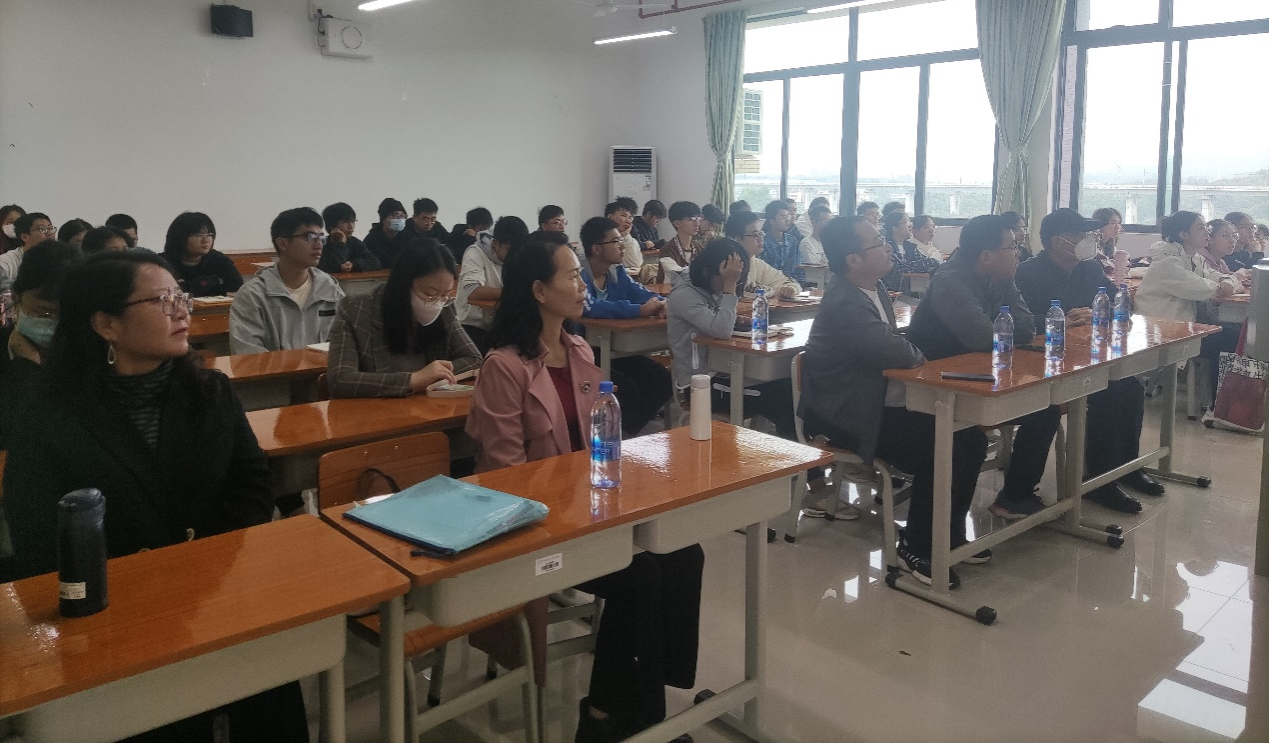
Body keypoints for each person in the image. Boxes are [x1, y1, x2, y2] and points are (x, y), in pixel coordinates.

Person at [2, 251, 308, 741]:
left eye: (180, 296)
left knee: (271, 691)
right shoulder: (48, 416)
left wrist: (209, 561)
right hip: (115, 618)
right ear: (106, 324)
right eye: (163, 300)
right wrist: (142, 587)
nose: (181, 310)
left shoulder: (211, 391)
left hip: (218, 591)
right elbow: (38, 531)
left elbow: (252, 482)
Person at [465, 234, 703, 742]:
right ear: (538, 290)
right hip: (538, 527)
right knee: (640, 578)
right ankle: (602, 717)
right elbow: (505, 478)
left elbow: (598, 441)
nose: (581, 286)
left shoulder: (577, 349)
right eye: (571, 276)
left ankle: (648, 700)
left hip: (590, 510)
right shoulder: (503, 367)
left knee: (684, 552)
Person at [801, 215, 988, 585]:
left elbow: (898, 348)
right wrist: (914, 353)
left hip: (880, 402)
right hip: (850, 413)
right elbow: (900, 352)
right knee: (942, 446)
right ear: (853, 259)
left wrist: (911, 352)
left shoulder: (873, 288)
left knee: (971, 438)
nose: (887, 247)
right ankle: (915, 546)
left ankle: (947, 534)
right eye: (877, 242)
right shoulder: (844, 302)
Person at [907, 214, 1062, 520]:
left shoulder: (1003, 276)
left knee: (1046, 408)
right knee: (970, 440)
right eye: (1012, 246)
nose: (1017, 253)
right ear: (986, 255)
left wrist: (1001, 332)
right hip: (935, 385)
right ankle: (943, 528)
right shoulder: (950, 280)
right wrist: (1000, 333)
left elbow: (1027, 328)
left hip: (980, 376)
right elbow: (981, 337)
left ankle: (1014, 497)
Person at [1014, 208, 1158, 513]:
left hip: (1083, 356)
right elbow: (1017, 321)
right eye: (1081, 235)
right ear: (1058, 241)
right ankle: (1099, 481)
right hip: (1039, 362)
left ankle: (1126, 467)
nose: (1089, 240)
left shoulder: (1089, 269)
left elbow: (1121, 307)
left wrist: (1097, 313)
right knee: (1106, 394)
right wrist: (1058, 320)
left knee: (1130, 387)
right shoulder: (1027, 273)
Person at [666, 237, 797, 441]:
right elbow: (721, 330)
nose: (729, 287)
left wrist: (736, 320)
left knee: (788, 383)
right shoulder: (684, 295)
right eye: (727, 279)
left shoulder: (710, 288)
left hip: (724, 374)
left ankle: (792, 451)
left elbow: (718, 322)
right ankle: (798, 454)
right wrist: (729, 287)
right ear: (708, 270)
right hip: (701, 384)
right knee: (781, 396)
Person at [327, 238, 481, 398]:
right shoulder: (356, 310)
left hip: (429, 407)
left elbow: (474, 359)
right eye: (429, 294)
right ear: (403, 284)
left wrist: (437, 374)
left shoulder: (445, 308)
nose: (437, 303)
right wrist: (414, 379)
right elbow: (340, 380)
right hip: (376, 409)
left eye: (445, 295)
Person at [578, 218, 672, 436]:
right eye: (616, 242)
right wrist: (638, 310)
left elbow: (640, 293)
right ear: (596, 249)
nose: (623, 246)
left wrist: (661, 302)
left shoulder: (617, 271)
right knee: (627, 390)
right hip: (586, 352)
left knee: (661, 379)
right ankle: (610, 436)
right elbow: (590, 307)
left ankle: (627, 433)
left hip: (615, 348)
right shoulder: (579, 274)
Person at [229, 207, 345, 355]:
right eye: (309, 237)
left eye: (321, 238)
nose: (319, 245)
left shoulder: (330, 289)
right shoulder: (253, 295)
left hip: (323, 369)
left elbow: (345, 344)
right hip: (274, 370)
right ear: (282, 243)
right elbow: (247, 353)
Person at [0, 241, 80, 448]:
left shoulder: (91, 356)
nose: (54, 323)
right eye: (44, 313)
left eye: (64, 316)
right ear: (16, 297)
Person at [458, 215, 529, 353]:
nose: (515, 255)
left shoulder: (518, 256)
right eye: (511, 250)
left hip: (500, 323)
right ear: (495, 243)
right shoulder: (475, 253)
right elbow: (473, 291)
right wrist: (516, 292)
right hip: (472, 325)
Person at [161, 212, 242, 297]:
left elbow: (236, 286)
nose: (206, 240)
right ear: (180, 237)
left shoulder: (218, 260)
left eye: (210, 235)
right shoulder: (162, 263)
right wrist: (213, 282)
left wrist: (194, 286)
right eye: (199, 235)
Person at [726, 210, 801, 298]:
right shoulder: (727, 263)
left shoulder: (756, 262)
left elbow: (785, 282)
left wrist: (790, 289)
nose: (760, 239)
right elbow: (741, 294)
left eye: (761, 233)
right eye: (755, 235)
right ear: (736, 239)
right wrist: (768, 290)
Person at [881, 210, 939, 292]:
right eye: (905, 222)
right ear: (895, 228)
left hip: (909, 288)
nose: (910, 225)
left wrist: (930, 262)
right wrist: (925, 263)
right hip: (892, 291)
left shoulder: (909, 246)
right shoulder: (886, 247)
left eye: (909, 221)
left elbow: (928, 262)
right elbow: (899, 269)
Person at [0, 212, 55, 294]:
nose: (49, 233)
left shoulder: (61, 258)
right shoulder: (6, 262)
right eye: (42, 229)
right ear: (24, 237)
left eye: (50, 228)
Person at [320, 202, 382, 274]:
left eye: (353, 221)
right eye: (346, 222)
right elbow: (334, 268)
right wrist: (340, 243)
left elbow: (376, 263)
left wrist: (354, 264)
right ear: (332, 226)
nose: (351, 226)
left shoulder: (355, 243)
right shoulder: (322, 244)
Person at [760, 200, 805, 284]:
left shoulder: (792, 241)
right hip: (770, 285)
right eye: (783, 217)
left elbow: (799, 268)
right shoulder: (762, 242)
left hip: (792, 285)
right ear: (772, 220)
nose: (787, 220)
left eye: (788, 216)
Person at [657, 201, 704, 273]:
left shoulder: (698, 248)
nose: (697, 224)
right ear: (677, 223)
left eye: (698, 218)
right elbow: (674, 276)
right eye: (691, 219)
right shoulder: (668, 250)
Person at [364, 197, 409, 268]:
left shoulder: (409, 237)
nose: (400, 219)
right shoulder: (371, 240)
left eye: (402, 216)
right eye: (395, 215)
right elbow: (376, 261)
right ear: (384, 219)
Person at [606, 198, 643, 271]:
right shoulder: (603, 239)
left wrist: (626, 236)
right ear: (610, 217)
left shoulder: (631, 239)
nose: (628, 221)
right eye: (623, 215)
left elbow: (635, 264)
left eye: (630, 217)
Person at [1090, 207, 1127, 277]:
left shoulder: (1110, 245)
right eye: (1113, 223)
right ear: (1100, 224)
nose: (1117, 227)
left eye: (1119, 223)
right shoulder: (1091, 245)